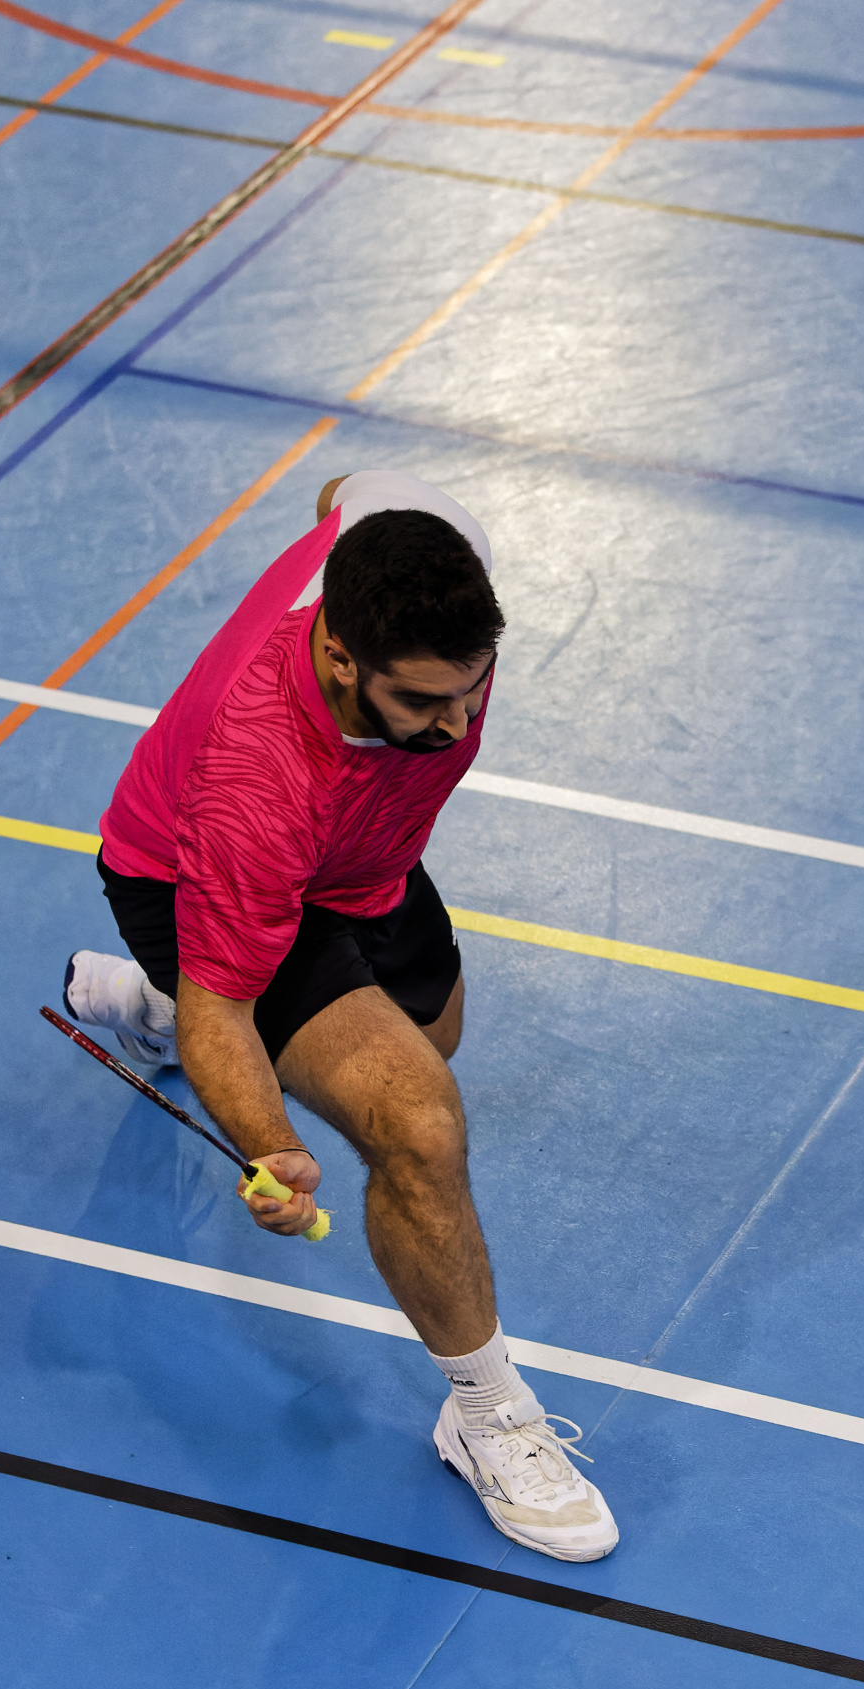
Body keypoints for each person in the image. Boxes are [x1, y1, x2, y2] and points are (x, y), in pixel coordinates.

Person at [63, 470, 617, 1562]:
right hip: (202, 872)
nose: (456, 722)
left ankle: (156, 1004)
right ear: (338, 656)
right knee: (415, 1123)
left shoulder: (426, 556)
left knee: (434, 1038)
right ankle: (488, 1413)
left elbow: (351, 489)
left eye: (473, 691)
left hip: (361, 860)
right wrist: (272, 1145)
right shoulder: (256, 779)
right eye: (423, 703)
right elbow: (230, 1010)